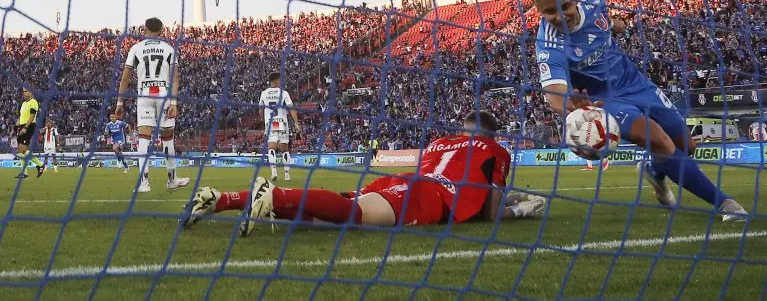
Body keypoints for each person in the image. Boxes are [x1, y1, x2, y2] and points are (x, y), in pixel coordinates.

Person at [531, 0, 747, 221]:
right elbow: (555, 96)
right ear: (539, 11)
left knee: (687, 146)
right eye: (549, 12)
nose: (559, 17)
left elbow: (605, 21)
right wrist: (575, 109)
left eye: (564, 6)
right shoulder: (549, 43)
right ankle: (725, 204)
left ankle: (653, 169)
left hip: (635, 83)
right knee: (659, 140)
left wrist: (617, 24)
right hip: (603, 100)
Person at [185, 111, 546, 235]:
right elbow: (490, 212)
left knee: (331, 216)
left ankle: (224, 200)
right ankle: (274, 194)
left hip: (403, 182)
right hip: (430, 196)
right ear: (492, 135)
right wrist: (518, 209)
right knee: (355, 216)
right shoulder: (495, 149)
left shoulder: (441, 141)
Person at [116, 18, 190, 193]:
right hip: (163, 95)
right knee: (168, 138)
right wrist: (174, 103)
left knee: (143, 139)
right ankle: (172, 180)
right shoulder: (169, 49)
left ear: (144, 30)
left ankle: (144, 183)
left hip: (144, 95)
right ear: (162, 31)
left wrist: (120, 102)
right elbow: (175, 78)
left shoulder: (136, 49)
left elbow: (125, 77)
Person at [258, 72, 301, 181]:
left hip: (271, 122)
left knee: (271, 147)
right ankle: (287, 174)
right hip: (281, 122)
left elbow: (260, 110)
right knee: (284, 149)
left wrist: (263, 122)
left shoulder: (264, 93)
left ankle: (274, 171)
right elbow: (291, 108)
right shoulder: (284, 93)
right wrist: (296, 123)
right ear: (277, 81)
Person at [14, 88, 45, 179]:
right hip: (22, 126)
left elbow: (32, 116)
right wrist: (16, 127)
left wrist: (25, 127)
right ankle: (25, 172)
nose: (23, 93)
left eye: (26, 91)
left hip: (29, 126)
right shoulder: (23, 103)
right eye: (23, 91)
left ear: (31, 92)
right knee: (20, 150)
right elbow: (21, 117)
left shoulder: (33, 102)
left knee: (22, 149)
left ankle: (40, 164)